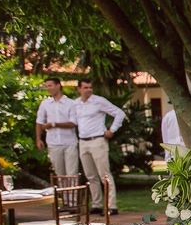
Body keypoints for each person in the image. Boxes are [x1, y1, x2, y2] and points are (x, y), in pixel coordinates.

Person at [72, 78, 125, 214]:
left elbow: (119, 113)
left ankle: (111, 205)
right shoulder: (75, 104)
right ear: (78, 89)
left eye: (90, 87)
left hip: (98, 140)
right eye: (85, 87)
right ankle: (97, 204)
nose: (89, 90)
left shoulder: (99, 101)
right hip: (83, 141)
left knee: (104, 174)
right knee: (90, 175)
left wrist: (112, 130)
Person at [35, 76, 80, 177]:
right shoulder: (45, 104)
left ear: (58, 85)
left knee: (72, 174)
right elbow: (39, 122)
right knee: (59, 174)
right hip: (53, 142)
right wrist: (38, 139)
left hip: (70, 142)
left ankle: (72, 193)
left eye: (50, 86)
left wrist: (53, 124)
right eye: (46, 86)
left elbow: (73, 123)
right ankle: (63, 193)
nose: (48, 89)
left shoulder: (71, 103)